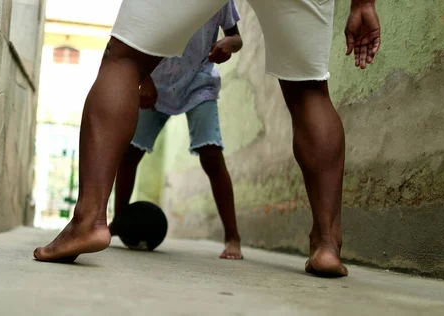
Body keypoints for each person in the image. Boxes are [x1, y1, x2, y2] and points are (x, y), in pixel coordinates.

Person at [34, 0, 381, 278]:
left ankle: (87, 220)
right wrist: (363, 2)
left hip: (197, 85)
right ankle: (326, 244)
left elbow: (233, 35)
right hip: (167, 86)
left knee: (124, 60)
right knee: (309, 91)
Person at [109, 1, 244, 260]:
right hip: (157, 84)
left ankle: (232, 236)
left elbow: (235, 37)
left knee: (211, 153)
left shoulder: (222, 2)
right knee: (129, 153)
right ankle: (119, 221)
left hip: (198, 83)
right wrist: (143, 79)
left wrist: (230, 45)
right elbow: (136, 38)